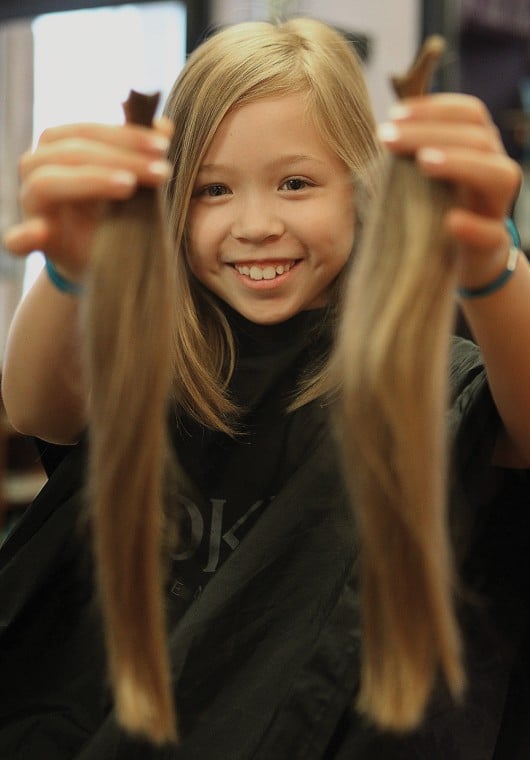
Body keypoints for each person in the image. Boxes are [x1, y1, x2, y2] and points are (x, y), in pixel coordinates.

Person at [1, 15, 529, 760]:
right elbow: (36, 408)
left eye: (295, 183)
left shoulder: (418, 375)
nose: (255, 224)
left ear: (357, 188)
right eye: (213, 190)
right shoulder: (158, 359)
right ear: (174, 205)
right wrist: (69, 270)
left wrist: (491, 264)